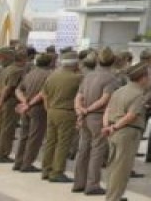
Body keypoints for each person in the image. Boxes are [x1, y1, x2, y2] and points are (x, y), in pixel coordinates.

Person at [102, 64, 151, 201]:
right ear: (142, 78)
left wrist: (108, 126)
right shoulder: (138, 94)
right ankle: (114, 198)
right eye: (147, 76)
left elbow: (107, 110)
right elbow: (131, 116)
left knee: (113, 166)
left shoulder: (119, 91)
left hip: (113, 131)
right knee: (122, 169)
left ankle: (112, 195)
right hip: (127, 132)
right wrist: (115, 127)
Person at [74, 48, 120, 194]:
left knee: (83, 150)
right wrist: (88, 110)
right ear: (112, 61)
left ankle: (78, 183)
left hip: (85, 116)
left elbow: (79, 96)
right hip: (98, 116)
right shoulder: (111, 79)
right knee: (97, 151)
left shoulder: (88, 76)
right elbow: (105, 99)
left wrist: (80, 110)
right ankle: (92, 184)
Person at [39, 51, 83, 184]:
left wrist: (49, 108)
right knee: (63, 143)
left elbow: (44, 94)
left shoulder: (52, 76)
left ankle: (46, 169)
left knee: (51, 141)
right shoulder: (77, 78)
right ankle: (57, 172)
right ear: (75, 64)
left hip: (52, 110)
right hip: (66, 112)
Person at [14, 52, 53, 173]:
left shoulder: (30, 74)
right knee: (35, 137)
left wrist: (24, 102)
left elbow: (18, 90)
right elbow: (43, 93)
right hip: (38, 108)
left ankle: (18, 161)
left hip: (26, 108)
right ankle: (27, 163)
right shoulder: (49, 75)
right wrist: (29, 103)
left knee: (24, 135)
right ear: (50, 62)